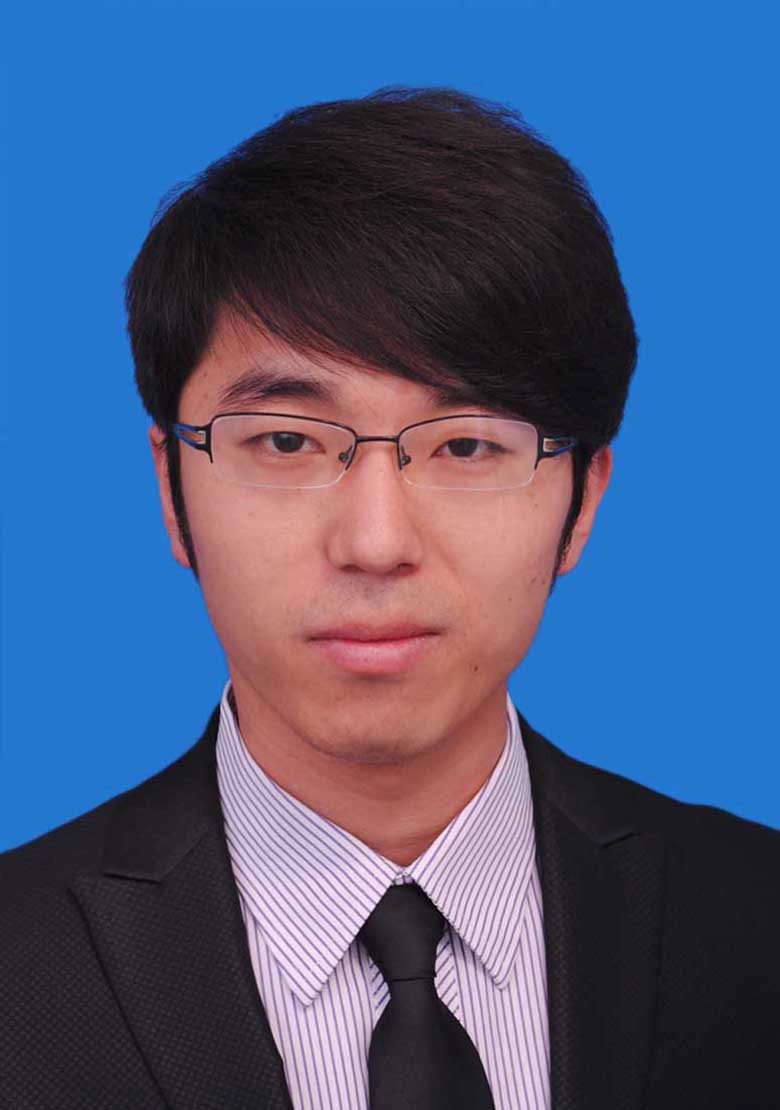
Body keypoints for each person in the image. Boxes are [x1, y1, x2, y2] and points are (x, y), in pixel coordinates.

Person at [1, 87, 778, 1110]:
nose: (375, 543)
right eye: (286, 441)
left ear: (583, 500)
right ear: (171, 488)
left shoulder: (755, 922)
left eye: (467, 446)